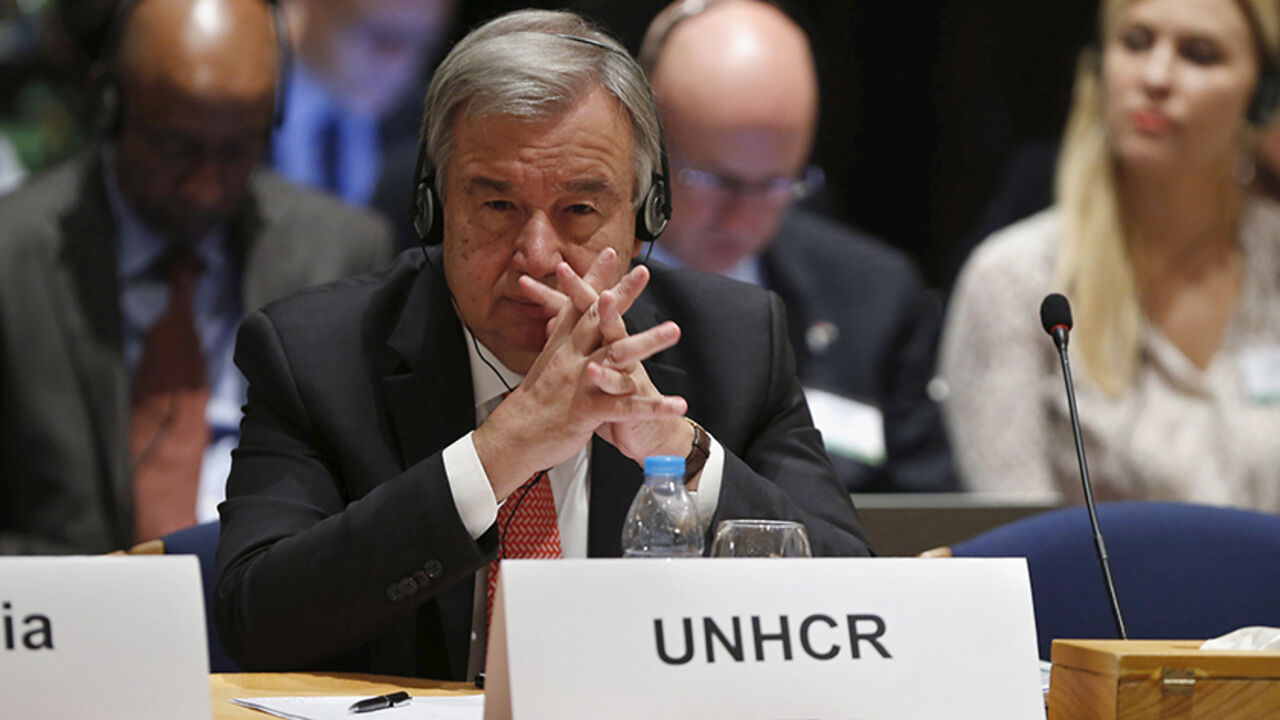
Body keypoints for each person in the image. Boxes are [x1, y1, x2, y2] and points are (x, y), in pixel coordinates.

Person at [215, 8, 870, 680]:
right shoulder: (315, 355)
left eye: (580, 211)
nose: (535, 253)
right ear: (434, 208)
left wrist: (679, 454)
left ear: (647, 219)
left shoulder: (734, 348)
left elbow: (861, 614)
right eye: (497, 207)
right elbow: (254, 622)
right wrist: (497, 455)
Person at [0, 0, 393, 554]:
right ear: (110, 105)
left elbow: (370, 510)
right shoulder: (12, 257)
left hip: (270, 619)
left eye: (237, 149)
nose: (205, 187)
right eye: (177, 147)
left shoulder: (343, 255)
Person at [942, 0, 1280, 509]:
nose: (1157, 77)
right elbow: (1017, 550)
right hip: (1087, 591)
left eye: (1200, 54)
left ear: (1261, 96)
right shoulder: (1015, 279)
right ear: (1101, 68)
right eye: (1136, 43)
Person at [637, 0, 957, 492]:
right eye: (715, 180)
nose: (742, 215)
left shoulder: (873, 298)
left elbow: (928, 522)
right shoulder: (572, 282)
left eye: (775, 184)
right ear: (645, 140)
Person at [271, 0, 454, 206]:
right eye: (378, 35)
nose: (397, 64)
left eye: (421, 43)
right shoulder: (236, 103)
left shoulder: (434, 133)